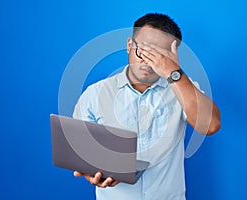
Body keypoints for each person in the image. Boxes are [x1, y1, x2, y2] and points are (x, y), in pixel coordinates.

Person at [72, 13, 220, 200]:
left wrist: (174, 73)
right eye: (143, 50)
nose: (147, 61)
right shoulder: (95, 94)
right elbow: (80, 150)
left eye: (158, 54)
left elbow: (210, 125)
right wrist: (91, 172)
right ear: (129, 45)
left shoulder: (183, 88)